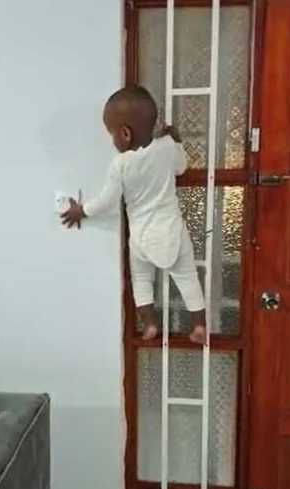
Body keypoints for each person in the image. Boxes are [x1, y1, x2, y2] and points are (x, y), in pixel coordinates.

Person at [61, 85, 207, 345]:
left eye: (112, 135)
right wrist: (177, 142)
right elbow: (181, 168)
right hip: (172, 231)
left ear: (125, 134)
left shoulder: (121, 164)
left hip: (141, 237)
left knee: (141, 280)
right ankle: (198, 325)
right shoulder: (166, 146)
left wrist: (80, 210)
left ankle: (149, 323)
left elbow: (107, 201)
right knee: (188, 278)